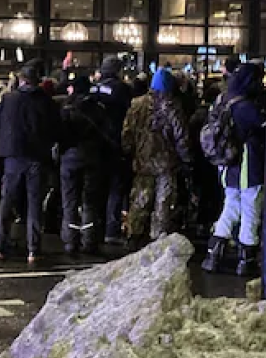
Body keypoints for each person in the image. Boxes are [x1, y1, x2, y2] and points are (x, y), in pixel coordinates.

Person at [201, 62, 266, 277]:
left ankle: (213, 253)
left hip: (227, 165)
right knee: (251, 209)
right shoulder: (247, 106)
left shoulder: (223, 99)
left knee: (231, 205)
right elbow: (265, 128)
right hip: (248, 163)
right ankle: (246, 259)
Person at [0, 63, 60, 262]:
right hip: (37, 157)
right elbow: (56, 129)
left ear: (20, 79)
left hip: (12, 155)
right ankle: (33, 249)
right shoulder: (46, 102)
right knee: (34, 203)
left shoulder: (8, 99)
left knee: (7, 201)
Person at [122, 68, 191, 244]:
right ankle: (158, 238)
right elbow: (181, 136)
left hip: (142, 160)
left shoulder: (136, 104)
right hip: (166, 162)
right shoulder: (172, 105)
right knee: (164, 202)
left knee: (140, 199)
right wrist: (187, 159)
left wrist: (129, 151)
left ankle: (134, 235)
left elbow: (127, 133)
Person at [58, 69, 115, 255]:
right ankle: (89, 240)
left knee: (69, 201)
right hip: (92, 158)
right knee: (90, 201)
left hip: (69, 158)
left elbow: (59, 134)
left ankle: (70, 241)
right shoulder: (98, 108)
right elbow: (108, 131)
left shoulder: (66, 108)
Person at [90, 55, 134, 245]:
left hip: (94, 144)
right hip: (115, 143)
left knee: (97, 188)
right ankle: (112, 229)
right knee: (116, 188)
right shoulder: (121, 89)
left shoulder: (92, 89)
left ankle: (95, 228)